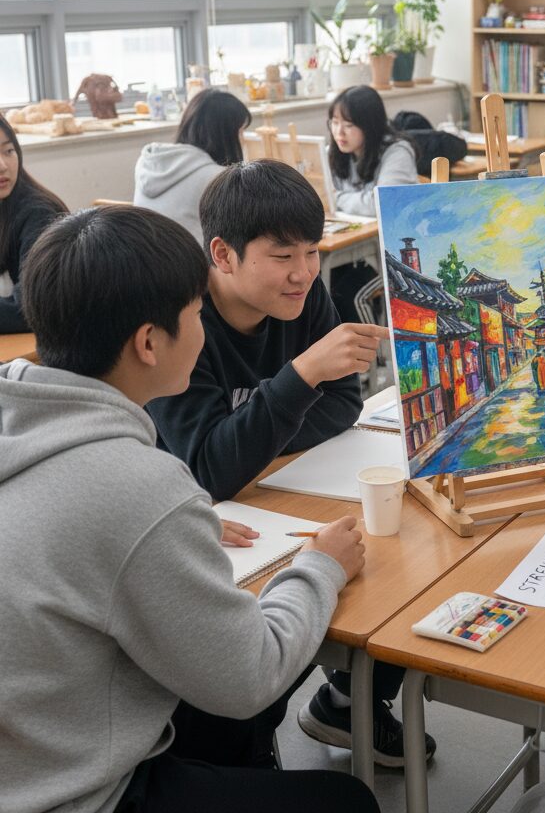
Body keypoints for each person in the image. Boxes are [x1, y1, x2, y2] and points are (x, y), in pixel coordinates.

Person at [0, 203, 378, 813]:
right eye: (196, 314)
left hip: (26, 748)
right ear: (149, 342)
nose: (303, 271)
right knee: (345, 800)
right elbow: (250, 674)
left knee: (218, 721)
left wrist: (169, 527)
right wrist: (319, 566)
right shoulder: (138, 487)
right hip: (70, 792)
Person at [145, 159, 432, 767]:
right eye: (283, 256)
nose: (305, 272)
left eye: (312, 250)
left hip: (279, 495)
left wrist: (261, 432)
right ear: (223, 254)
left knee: (392, 552)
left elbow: (343, 405)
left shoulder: (303, 296)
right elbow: (208, 468)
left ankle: (348, 700)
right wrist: (299, 376)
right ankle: (248, 750)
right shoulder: (181, 324)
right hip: (213, 530)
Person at [327, 85, 418, 322]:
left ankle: (371, 358)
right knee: (319, 286)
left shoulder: (397, 151)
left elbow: (380, 202)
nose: (339, 132)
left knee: (346, 292)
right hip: (357, 251)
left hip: (393, 256)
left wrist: (336, 198)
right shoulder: (337, 153)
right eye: (334, 122)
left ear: (369, 124)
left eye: (348, 125)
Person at [133, 88, 251, 244]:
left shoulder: (147, 162)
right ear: (225, 135)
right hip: (192, 265)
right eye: (240, 133)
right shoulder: (217, 178)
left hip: (144, 261)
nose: (243, 140)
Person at [0, 115, 67, 332]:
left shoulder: (39, 214)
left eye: (8, 151)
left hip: (47, 349)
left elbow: (31, 308)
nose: (2, 166)